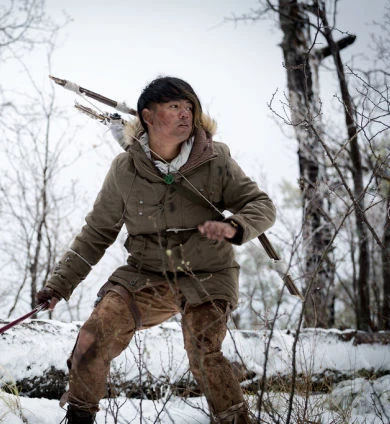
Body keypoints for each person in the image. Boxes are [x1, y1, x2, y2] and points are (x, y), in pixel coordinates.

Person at [37, 76, 276, 424]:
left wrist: (236, 226)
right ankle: (79, 417)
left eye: (189, 107)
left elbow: (260, 204)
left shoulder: (216, 160)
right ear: (148, 117)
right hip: (145, 275)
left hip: (207, 274)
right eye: (174, 106)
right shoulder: (125, 169)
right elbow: (97, 232)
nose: (185, 114)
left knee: (203, 352)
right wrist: (59, 285)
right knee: (92, 336)